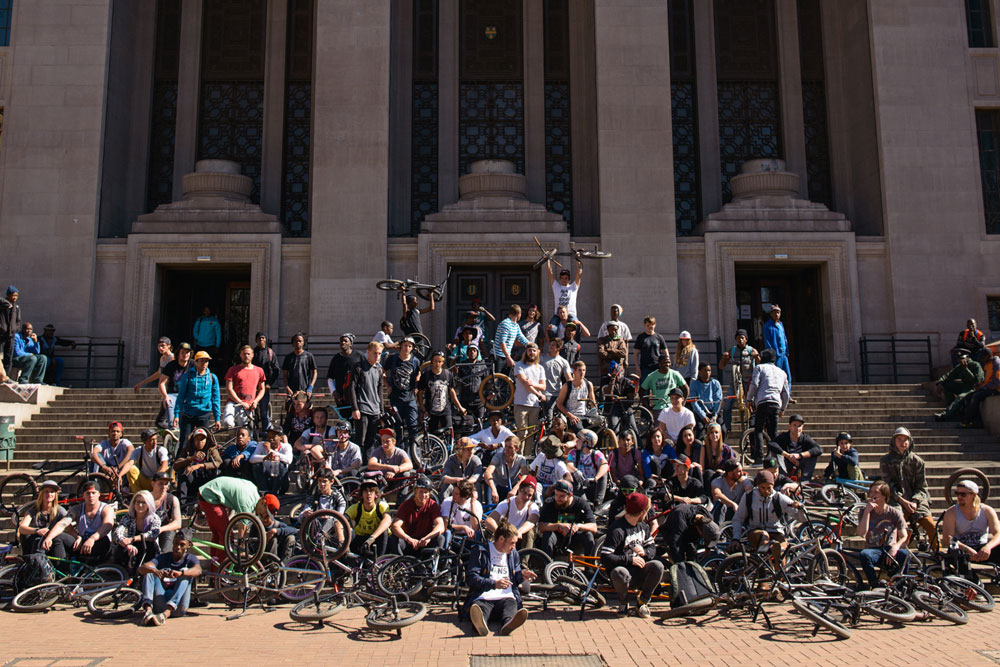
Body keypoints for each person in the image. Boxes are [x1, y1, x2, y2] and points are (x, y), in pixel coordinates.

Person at [464, 519, 535, 636]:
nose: (514, 546)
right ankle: (480, 624)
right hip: (484, 596)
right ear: (501, 539)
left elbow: (515, 578)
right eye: (512, 543)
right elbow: (471, 578)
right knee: (481, 609)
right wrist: (493, 584)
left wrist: (522, 575)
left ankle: (509, 623)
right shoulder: (481, 551)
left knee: (511, 606)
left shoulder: (513, 554)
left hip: (506, 596)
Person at [600, 492, 662, 618]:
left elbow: (652, 548)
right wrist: (629, 560)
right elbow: (605, 557)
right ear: (641, 512)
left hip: (639, 571)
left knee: (658, 566)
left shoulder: (643, 526)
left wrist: (644, 552)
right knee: (619, 572)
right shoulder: (617, 530)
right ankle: (623, 602)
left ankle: (642, 602)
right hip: (622, 574)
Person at [879, 426, 937, 550]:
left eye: (905, 439)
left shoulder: (917, 461)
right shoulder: (886, 461)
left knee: (930, 524)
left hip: (916, 500)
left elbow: (921, 486)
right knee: (894, 525)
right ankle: (890, 554)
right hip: (896, 500)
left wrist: (915, 501)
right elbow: (887, 484)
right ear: (894, 441)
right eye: (899, 439)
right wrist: (903, 501)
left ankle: (939, 555)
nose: (902, 442)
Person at [731, 471, 803, 563]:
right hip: (756, 532)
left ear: (773, 486)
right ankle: (770, 551)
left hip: (776, 532)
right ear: (758, 486)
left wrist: (800, 508)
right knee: (764, 535)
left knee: (781, 553)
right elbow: (738, 518)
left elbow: (801, 518)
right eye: (763, 487)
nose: (766, 491)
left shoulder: (778, 497)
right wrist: (736, 538)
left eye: (769, 487)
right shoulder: (749, 497)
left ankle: (779, 575)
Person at [138, 531, 202, 626]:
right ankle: (148, 611)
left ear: (189, 545)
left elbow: (198, 570)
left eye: (182, 545)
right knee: (149, 572)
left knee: (186, 572)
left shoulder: (191, 559)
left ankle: (167, 613)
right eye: (176, 543)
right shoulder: (163, 557)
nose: (178, 547)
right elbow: (142, 568)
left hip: (178, 607)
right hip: (160, 604)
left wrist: (180, 573)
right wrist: (155, 571)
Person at [856, 480, 910, 588]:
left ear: (885, 496)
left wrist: (895, 547)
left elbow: (904, 536)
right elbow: (861, 533)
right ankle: (874, 584)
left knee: (904, 555)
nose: (872, 495)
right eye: (871, 492)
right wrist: (867, 512)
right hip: (874, 549)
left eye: (876, 492)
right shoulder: (864, 511)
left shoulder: (894, 513)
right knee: (864, 554)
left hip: (889, 548)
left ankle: (899, 585)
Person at [197, 476, 265, 561]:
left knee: (218, 534)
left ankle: (213, 567)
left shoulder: (254, 490)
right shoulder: (247, 503)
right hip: (210, 495)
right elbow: (242, 525)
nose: (262, 516)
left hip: (210, 491)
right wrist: (242, 547)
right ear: (263, 502)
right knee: (227, 535)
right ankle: (218, 570)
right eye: (264, 513)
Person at [941, 479, 1000, 575]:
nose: (959, 497)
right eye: (957, 493)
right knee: (954, 551)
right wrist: (966, 549)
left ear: (974, 495)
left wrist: (988, 547)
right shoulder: (951, 512)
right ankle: (972, 584)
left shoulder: (987, 511)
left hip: (981, 548)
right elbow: (948, 538)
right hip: (962, 549)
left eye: (963, 494)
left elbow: (998, 534)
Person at [48, 481, 115, 563]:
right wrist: (49, 538)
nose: (91, 496)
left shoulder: (106, 509)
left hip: (98, 542)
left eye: (93, 493)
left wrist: (92, 539)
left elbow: (107, 526)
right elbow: (62, 524)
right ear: (83, 495)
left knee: (104, 540)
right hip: (81, 543)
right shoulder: (77, 509)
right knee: (58, 536)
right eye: (88, 493)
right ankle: (62, 569)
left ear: (99, 494)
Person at [745, 348, 790, 463]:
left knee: (758, 429)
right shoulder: (782, 372)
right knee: (773, 431)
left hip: (763, 402)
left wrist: (749, 399)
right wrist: (783, 408)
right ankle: (774, 457)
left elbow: (754, 384)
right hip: (776, 403)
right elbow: (786, 394)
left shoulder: (759, 368)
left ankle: (759, 456)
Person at [173, 350, 221, 451]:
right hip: (188, 413)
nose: (204, 364)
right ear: (196, 362)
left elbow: (216, 398)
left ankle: (201, 466)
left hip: (204, 414)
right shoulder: (188, 376)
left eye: (206, 361)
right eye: (201, 361)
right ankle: (179, 464)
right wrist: (176, 414)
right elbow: (181, 396)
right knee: (185, 443)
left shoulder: (212, 377)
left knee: (203, 444)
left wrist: (217, 418)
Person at [536, 480, 598, 557]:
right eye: (556, 495)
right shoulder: (549, 503)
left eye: (562, 496)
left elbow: (594, 527)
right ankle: (547, 564)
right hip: (557, 535)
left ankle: (589, 568)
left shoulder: (581, 504)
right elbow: (541, 526)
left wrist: (578, 526)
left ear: (570, 495)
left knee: (588, 536)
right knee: (547, 536)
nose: (558, 498)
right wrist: (558, 526)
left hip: (574, 536)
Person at [389, 474, 445, 556]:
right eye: (421, 491)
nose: (423, 495)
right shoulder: (406, 505)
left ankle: (430, 566)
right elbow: (395, 526)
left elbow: (440, 526)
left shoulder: (433, 505)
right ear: (415, 492)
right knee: (393, 539)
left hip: (425, 543)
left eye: (426, 492)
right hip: (409, 543)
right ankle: (402, 564)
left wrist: (428, 538)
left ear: (429, 494)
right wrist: (408, 539)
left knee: (440, 538)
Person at [417, 350, 465, 437]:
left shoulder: (448, 374)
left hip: (445, 410)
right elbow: (419, 393)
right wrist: (423, 408)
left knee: (449, 432)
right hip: (431, 410)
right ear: (432, 361)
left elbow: (452, 392)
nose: (437, 363)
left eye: (439, 361)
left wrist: (460, 407)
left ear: (442, 362)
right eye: (435, 361)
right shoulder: (426, 375)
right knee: (433, 434)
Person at [720, 329, 760, 432]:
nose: (740, 340)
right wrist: (724, 358)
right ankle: (726, 427)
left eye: (742, 338)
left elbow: (761, 364)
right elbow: (721, 366)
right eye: (738, 338)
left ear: (746, 339)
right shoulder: (732, 350)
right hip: (735, 383)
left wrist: (756, 357)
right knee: (727, 404)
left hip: (749, 382)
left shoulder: (751, 350)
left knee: (754, 404)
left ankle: (755, 426)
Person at [18, 480, 71, 557]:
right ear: (41, 493)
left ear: (55, 494)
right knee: (26, 535)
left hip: (53, 543)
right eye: (46, 492)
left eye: (52, 492)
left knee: (57, 537)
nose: (49, 494)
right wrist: (37, 531)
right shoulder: (33, 510)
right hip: (37, 542)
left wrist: (77, 537)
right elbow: (22, 528)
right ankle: (28, 560)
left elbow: (68, 527)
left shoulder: (60, 511)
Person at [484, 477, 540, 549]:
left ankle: (524, 560)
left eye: (529, 495)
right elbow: (489, 520)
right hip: (505, 536)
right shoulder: (507, 503)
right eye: (524, 493)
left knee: (530, 533)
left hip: (520, 537)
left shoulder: (532, 506)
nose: (526, 497)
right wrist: (500, 533)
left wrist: (519, 532)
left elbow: (532, 520)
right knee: (489, 531)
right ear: (519, 490)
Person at [349, 341, 385, 453]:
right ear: (368, 352)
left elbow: (380, 391)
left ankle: (368, 466)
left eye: (379, 353)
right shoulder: (358, 367)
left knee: (371, 440)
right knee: (360, 439)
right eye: (375, 353)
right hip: (362, 408)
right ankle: (357, 464)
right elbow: (352, 388)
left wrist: (381, 410)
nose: (377, 356)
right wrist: (355, 408)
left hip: (375, 410)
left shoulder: (379, 369)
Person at [385, 336, 421, 445]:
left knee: (413, 427)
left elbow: (419, 373)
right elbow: (382, 371)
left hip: (410, 399)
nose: (407, 348)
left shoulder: (415, 361)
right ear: (401, 346)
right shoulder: (392, 359)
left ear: (412, 348)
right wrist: (387, 385)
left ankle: (415, 454)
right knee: (398, 428)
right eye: (405, 345)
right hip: (396, 398)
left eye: (409, 346)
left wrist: (416, 386)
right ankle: (401, 454)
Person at [112, 490, 161, 568]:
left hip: (148, 546)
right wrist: (126, 544)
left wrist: (133, 539)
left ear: (149, 504)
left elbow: (153, 534)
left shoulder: (154, 518)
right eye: (138, 502)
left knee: (149, 546)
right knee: (121, 548)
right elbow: (118, 532)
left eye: (143, 502)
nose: (140, 505)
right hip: (131, 545)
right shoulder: (128, 517)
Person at [344, 478, 393, 556]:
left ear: (375, 494)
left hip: (376, 539)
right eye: (365, 491)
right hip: (360, 539)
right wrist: (341, 542)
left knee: (384, 532)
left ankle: (379, 563)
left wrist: (371, 538)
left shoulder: (381, 505)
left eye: (371, 491)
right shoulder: (356, 507)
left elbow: (387, 520)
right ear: (361, 494)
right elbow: (340, 521)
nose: (368, 493)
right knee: (348, 532)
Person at [222, 345, 266, 429]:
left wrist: (256, 401)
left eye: (248, 354)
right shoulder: (233, 369)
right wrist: (240, 402)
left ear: (252, 355)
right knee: (227, 423)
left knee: (245, 430)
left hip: (248, 405)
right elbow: (229, 388)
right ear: (241, 355)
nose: (246, 356)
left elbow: (262, 389)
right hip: (234, 402)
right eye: (244, 354)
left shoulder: (259, 371)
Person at [513, 343, 546, 454]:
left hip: (534, 405)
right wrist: (539, 394)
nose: (532, 353)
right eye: (529, 350)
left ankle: (526, 458)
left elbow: (543, 386)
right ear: (526, 352)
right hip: (521, 403)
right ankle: (518, 456)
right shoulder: (519, 365)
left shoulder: (540, 368)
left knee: (531, 433)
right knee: (522, 433)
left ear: (538, 352)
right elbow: (524, 383)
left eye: (534, 350)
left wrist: (534, 385)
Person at [173, 427, 222, 503]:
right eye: (197, 439)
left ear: (206, 440)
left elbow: (218, 463)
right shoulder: (188, 450)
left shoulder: (211, 449)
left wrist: (200, 465)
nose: (200, 442)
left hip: (206, 478)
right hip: (192, 478)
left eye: (202, 439)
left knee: (218, 472)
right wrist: (191, 458)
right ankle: (183, 506)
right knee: (183, 472)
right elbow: (176, 465)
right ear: (193, 440)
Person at [768, 414, 822, 482]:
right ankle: (783, 479)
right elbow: (771, 444)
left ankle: (805, 480)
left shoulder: (805, 438)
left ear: (802, 427)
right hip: (786, 465)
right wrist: (787, 455)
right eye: (794, 425)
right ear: (789, 426)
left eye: (799, 426)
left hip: (799, 465)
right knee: (777, 453)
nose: (797, 428)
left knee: (812, 455)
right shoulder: (784, 436)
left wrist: (799, 455)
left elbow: (818, 449)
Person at [567, 429, 609, 506]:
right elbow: (568, 464)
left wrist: (596, 478)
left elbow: (605, 465)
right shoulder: (573, 453)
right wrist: (575, 471)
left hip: (593, 485)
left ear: (585, 443)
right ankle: (584, 503)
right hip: (580, 487)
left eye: (578, 440)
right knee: (572, 476)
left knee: (603, 475)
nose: (576, 441)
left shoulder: (596, 454)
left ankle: (598, 503)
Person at [121, 428, 171, 493]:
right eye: (152, 440)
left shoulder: (161, 450)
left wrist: (158, 476)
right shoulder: (138, 450)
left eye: (156, 439)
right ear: (145, 442)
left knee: (167, 469)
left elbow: (165, 463)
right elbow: (130, 463)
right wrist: (120, 475)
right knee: (131, 469)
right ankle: (139, 495)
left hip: (158, 481)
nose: (155, 442)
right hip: (145, 481)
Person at [484, 435, 530, 504]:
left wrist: (515, 489)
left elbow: (525, 475)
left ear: (517, 449)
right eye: (505, 446)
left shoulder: (521, 459)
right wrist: (493, 489)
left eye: (510, 447)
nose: (506, 449)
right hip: (496, 485)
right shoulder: (498, 455)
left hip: (511, 487)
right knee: (490, 507)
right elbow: (488, 472)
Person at [90, 421, 137, 488]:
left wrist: (117, 468)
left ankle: (125, 486)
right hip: (107, 469)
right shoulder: (104, 443)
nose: (115, 433)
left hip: (120, 468)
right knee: (96, 456)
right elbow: (93, 452)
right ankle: (93, 485)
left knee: (131, 462)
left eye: (118, 431)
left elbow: (131, 450)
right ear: (109, 433)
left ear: (121, 434)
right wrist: (104, 467)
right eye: (113, 431)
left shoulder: (124, 442)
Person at [159, 342, 193, 431]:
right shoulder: (171, 365)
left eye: (187, 352)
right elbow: (161, 383)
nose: (185, 355)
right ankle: (173, 429)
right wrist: (165, 396)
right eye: (183, 352)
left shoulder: (193, 365)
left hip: (188, 395)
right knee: (169, 404)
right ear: (178, 353)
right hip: (173, 394)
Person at [963, 347, 1000, 428]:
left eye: (983, 357)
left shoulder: (996, 364)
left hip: (996, 389)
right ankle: (976, 421)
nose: (982, 359)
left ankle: (968, 422)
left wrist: (983, 387)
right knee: (967, 398)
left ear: (989, 355)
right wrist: (979, 384)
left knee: (976, 397)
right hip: (988, 388)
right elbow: (987, 380)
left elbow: (996, 382)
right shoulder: (987, 364)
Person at [556, 360, 596, 434]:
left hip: (585, 415)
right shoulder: (567, 386)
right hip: (572, 416)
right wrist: (570, 416)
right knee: (583, 433)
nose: (582, 372)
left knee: (598, 428)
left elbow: (593, 403)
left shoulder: (588, 384)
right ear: (574, 372)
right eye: (579, 370)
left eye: (584, 370)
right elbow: (559, 404)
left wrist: (595, 415)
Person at [250, 425, 293, 494]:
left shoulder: (286, 446)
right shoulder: (262, 444)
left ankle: (274, 493)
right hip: (266, 480)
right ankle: (264, 491)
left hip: (281, 482)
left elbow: (288, 460)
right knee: (257, 464)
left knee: (280, 464)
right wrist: (265, 457)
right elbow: (252, 459)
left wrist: (270, 450)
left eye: (273, 437)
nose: (270, 439)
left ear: (280, 438)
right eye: (269, 436)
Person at [455, 344, 490, 426]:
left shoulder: (482, 365)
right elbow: (458, 381)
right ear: (467, 353)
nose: (472, 352)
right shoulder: (462, 365)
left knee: (480, 423)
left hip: (479, 400)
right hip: (465, 400)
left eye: (474, 350)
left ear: (477, 353)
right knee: (465, 424)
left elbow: (487, 381)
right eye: (470, 350)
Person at [252, 332, 281, 430]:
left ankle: (265, 433)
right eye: (259, 338)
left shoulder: (270, 353)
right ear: (256, 340)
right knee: (252, 412)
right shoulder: (252, 353)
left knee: (264, 412)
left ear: (266, 340)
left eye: (263, 338)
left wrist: (269, 384)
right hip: (252, 387)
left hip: (265, 387)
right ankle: (253, 434)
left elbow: (276, 370)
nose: (261, 340)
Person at [327, 333, 364, 408]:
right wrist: (334, 392)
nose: (342, 343)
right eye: (341, 341)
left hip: (358, 397)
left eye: (345, 341)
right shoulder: (336, 359)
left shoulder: (360, 356)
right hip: (341, 398)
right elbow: (330, 378)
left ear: (351, 344)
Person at [441, 479, 483, 544]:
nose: (453, 495)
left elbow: (475, 527)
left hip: (469, 537)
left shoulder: (476, 504)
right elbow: (446, 525)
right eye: (453, 492)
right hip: (453, 536)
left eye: (456, 494)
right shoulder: (447, 502)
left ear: (465, 496)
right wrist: (463, 527)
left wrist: (472, 503)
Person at [492, 304, 530, 374]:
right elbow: (502, 343)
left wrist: (531, 345)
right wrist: (508, 357)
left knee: (506, 381)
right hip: (498, 356)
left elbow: (521, 337)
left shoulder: (516, 325)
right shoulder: (505, 324)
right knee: (496, 379)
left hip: (506, 356)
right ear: (519, 313)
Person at [763, 304, 792, 394]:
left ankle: (788, 394)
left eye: (778, 313)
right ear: (771, 314)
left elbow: (784, 338)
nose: (776, 315)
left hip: (783, 354)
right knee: (777, 376)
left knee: (787, 375)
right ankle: (777, 394)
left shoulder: (781, 324)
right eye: (774, 313)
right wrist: (771, 354)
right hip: (776, 354)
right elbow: (767, 341)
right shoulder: (768, 326)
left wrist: (786, 350)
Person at [688, 362, 722, 438]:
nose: (707, 373)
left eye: (709, 371)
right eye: (705, 370)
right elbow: (694, 402)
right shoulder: (694, 384)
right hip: (700, 413)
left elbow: (718, 400)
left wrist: (715, 415)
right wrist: (703, 416)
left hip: (713, 412)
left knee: (722, 429)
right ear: (699, 371)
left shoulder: (715, 383)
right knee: (700, 431)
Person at [150, 472, 183, 552]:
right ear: (153, 484)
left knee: (169, 534)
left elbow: (178, 523)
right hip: (147, 530)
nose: (164, 487)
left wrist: (161, 529)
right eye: (160, 483)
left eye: (166, 484)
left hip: (164, 530)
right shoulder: (145, 498)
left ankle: (165, 556)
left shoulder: (172, 499)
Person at [710, 459, 750, 523]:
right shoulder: (718, 481)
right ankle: (718, 531)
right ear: (730, 473)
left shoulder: (744, 481)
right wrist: (733, 504)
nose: (742, 474)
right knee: (720, 505)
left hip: (740, 512)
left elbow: (750, 492)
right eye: (739, 472)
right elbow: (716, 495)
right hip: (724, 513)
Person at [541, 338, 571, 420]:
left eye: (553, 345)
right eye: (550, 344)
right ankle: (547, 432)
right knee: (548, 417)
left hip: (558, 393)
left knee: (559, 417)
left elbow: (568, 378)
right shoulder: (542, 358)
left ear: (559, 348)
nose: (550, 346)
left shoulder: (563, 361)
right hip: (545, 392)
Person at [633, 316, 668, 385]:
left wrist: (666, 365)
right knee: (645, 391)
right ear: (645, 325)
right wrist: (637, 367)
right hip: (645, 368)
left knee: (658, 389)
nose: (650, 327)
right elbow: (635, 354)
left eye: (652, 325)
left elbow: (666, 352)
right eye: (648, 325)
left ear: (655, 325)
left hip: (658, 368)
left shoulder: (659, 337)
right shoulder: (641, 337)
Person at [547, 257, 583, 324]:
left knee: (577, 327)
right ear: (560, 279)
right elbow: (549, 274)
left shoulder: (574, 287)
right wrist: (547, 259)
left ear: (569, 279)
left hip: (570, 314)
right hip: (558, 314)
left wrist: (578, 259)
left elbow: (579, 273)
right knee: (552, 330)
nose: (564, 280)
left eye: (566, 278)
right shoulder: (556, 286)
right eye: (562, 278)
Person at [282, 332, 317, 399]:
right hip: (292, 391)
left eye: (300, 341)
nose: (298, 342)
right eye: (296, 341)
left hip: (305, 390)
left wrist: (311, 387)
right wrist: (287, 387)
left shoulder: (309, 356)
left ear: (303, 342)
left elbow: (315, 372)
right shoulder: (288, 357)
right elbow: (284, 374)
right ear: (293, 342)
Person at [0, 285, 21, 367]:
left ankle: (6, 377)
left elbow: (18, 321)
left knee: (8, 358)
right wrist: (7, 303)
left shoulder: (17, 307)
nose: (15, 297)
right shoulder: (2, 305)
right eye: (13, 295)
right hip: (1, 333)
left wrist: (15, 329)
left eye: (16, 296)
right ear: (8, 295)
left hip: (11, 335)